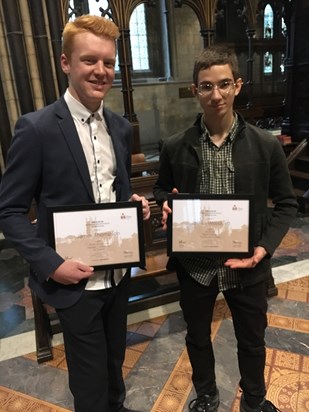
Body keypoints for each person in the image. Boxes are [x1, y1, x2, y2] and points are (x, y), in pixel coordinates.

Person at [0, 14, 150, 412]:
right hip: (75, 282)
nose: (101, 71)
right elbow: (10, 211)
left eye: (109, 62)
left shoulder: (118, 127)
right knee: (88, 382)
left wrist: (132, 208)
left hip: (117, 276)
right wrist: (51, 264)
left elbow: (113, 193)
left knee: (115, 364)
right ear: (66, 63)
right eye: (89, 60)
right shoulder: (37, 129)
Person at [153, 45, 298, 412]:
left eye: (223, 85)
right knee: (198, 337)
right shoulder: (175, 146)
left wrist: (262, 249)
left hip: (246, 264)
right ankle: (206, 396)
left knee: (252, 340)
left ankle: (253, 400)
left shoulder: (266, 147)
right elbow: (160, 189)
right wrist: (166, 202)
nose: (215, 95)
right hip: (195, 265)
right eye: (206, 86)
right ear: (194, 90)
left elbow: (286, 205)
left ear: (237, 85)